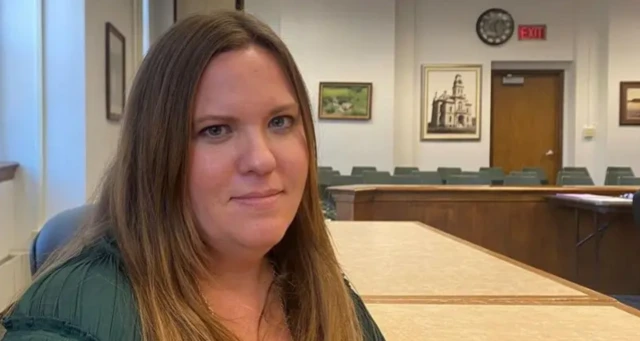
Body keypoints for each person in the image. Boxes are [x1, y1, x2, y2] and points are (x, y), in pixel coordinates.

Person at [0, 11, 386, 341]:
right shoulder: (72, 313)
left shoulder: (322, 287)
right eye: (216, 130)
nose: (262, 160)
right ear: (157, 153)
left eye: (280, 121)